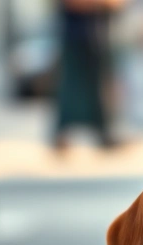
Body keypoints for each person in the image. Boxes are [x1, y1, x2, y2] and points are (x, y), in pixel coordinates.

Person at [53, 0, 128, 152]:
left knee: (99, 87)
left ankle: (104, 132)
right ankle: (61, 134)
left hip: (97, 34)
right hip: (76, 37)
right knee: (72, 86)